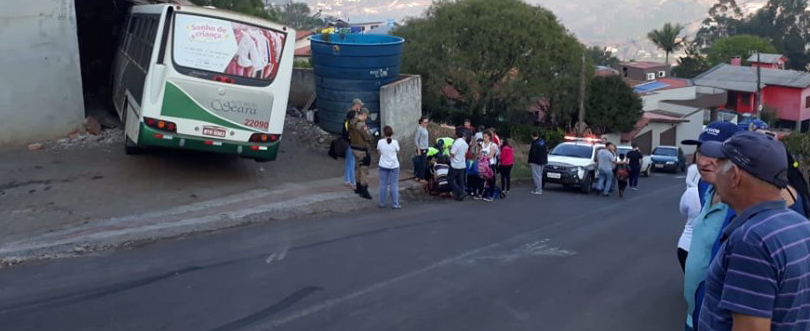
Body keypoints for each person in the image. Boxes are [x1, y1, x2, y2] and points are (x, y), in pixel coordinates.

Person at [697, 131, 810, 331]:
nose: (714, 169)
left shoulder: (751, 240)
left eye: (721, 164)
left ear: (735, 176)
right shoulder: (800, 224)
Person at [680, 121, 743, 331]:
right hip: (694, 316)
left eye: (715, 153)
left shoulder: (740, 207)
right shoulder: (706, 187)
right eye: (700, 151)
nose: (704, 161)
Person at [677, 162, 700, 272]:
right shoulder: (693, 193)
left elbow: (683, 211)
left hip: (686, 246)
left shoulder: (691, 194)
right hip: (690, 246)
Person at [349, 108, 373, 200]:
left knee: (358, 168)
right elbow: (367, 136)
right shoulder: (361, 125)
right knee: (364, 170)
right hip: (362, 149)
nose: (366, 118)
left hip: (354, 148)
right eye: (366, 116)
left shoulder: (352, 122)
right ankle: (364, 190)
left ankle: (358, 187)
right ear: (364, 115)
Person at [377, 126, 401, 209]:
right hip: (394, 165)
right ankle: (395, 203)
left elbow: (379, 152)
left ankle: (382, 202)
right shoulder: (395, 142)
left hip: (383, 165)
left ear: (384, 133)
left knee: (383, 184)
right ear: (392, 133)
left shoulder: (380, 142)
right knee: (393, 184)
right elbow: (397, 151)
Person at [342, 99, 363, 190]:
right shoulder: (353, 115)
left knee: (348, 161)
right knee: (352, 162)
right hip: (352, 142)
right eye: (360, 105)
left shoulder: (347, 115)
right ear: (356, 105)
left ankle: (347, 180)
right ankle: (352, 182)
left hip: (346, 141)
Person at [448, 130, 469, 201]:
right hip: (462, 164)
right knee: (460, 180)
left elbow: (452, 153)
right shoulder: (465, 144)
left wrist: (450, 155)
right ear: (463, 136)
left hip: (455, 164)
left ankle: (461, 192)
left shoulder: (456, 143)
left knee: (450, 179)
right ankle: (460, 196)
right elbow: (465, 153)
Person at [478, 131, 499, 202]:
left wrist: (484, 156)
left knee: (491, 180)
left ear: (489, 137)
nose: (484, 138)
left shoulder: (492, 145)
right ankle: (481, 193)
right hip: (482, 164)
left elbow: (491, 155)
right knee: (481, 179)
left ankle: (491, 195)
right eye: (483, 137)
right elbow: (479, 153)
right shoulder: (482, 144)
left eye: (486, 137)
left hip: (490, 164)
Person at [414, 116, 430, 181]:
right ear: (421, 122)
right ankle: (420, 177)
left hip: (425, 147)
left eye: (427, 122)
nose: (426, 123)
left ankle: (419, 176)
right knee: (422, 163)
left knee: (423, 162)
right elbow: (416, 139)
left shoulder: (425, 129)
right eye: (424, 122)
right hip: (421, 148)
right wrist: (418, 149)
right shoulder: (419, 129)